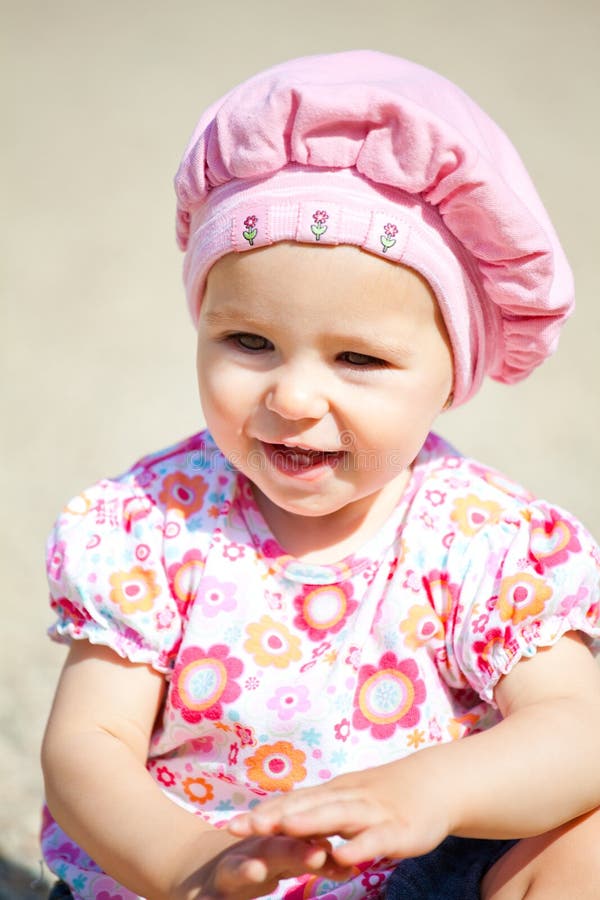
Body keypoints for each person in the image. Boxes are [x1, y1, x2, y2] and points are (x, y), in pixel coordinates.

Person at [41, 50, 600, 900]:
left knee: (586, 840)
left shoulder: (483, 538)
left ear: (453, 374)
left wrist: (432, 789)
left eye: (359, 358)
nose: (294, 396)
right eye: (249, 342)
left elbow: (580, 728)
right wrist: (188, 863)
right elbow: (88, 748)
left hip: (424, 869)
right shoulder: (157, 522)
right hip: (205, 867)